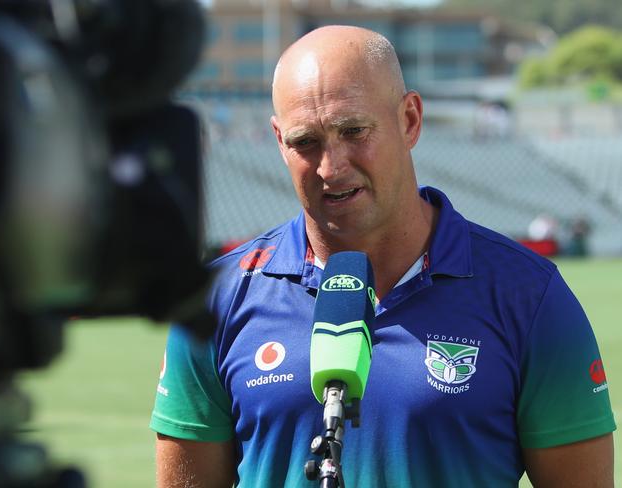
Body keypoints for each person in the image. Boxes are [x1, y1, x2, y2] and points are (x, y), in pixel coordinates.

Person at [150, 26, 616, 487]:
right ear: (278, 140)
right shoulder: (214, 301)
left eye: (353, 130)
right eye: (304, 142)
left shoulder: (529, 296)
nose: (331, 167)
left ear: (410, 119)